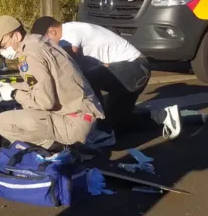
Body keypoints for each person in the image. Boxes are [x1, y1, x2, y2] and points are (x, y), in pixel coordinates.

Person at [30, 17, 183, 140]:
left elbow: (67, 62)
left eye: (45, 43)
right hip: (129, 72)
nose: (47, 48)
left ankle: (98, 127)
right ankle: (163, 115)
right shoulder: (70, 31)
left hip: (133, 69)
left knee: (84, 77)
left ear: (52, 32)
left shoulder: (70, 32)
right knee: (118, 125)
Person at [0, 15, 104, 150]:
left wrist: (14, 94)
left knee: (3, 122)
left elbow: (45, 101)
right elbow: (36, 84)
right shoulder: (37, 43)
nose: (1, 51)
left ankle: (55, 151)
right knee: (23, 108)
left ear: (16, 36)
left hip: (72, 123)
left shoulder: (30, 55)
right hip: (81, 116)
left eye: (2, 45)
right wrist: (10, 86)